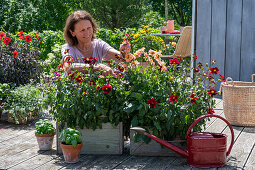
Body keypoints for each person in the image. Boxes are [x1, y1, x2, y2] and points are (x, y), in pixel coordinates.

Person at [61, 10, 130, 76]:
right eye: (82, 30)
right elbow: (68, 66)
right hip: (73, 87)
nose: (87, 33)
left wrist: (124, 53)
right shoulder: (68, 48)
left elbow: (119, 58)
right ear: (72, 32)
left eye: (89, 28)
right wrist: (97, 67)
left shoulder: (99, 45)